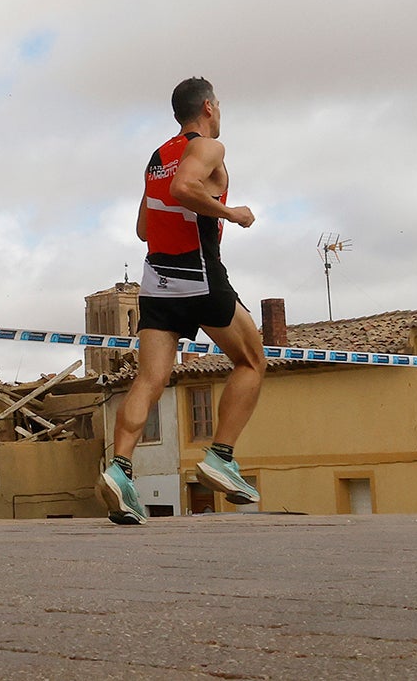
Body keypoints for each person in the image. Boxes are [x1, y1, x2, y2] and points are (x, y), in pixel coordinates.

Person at [101, 77, 267, 524]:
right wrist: (232, 213)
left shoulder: (157, 157)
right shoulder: (209, 147)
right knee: (252, 360)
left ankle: (120, 469)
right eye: (219, 104)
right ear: (208, 107)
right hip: (198, 274)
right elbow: (183, 188)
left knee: (149, 380)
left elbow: (143, 229)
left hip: (157, 280)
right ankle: (221, 457)